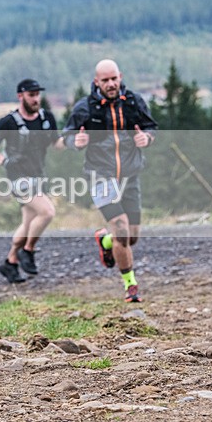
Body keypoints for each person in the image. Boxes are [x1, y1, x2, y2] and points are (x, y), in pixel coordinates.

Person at [62, 59, 157, 302]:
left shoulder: (134, 102)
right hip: (100, 175)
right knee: (122, 230)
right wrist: (76, 142)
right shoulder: (85, 108)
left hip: (130, 176)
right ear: (97, 82)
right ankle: (131, 285)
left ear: (120, 76)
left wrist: (147, 138)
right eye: (105, 80)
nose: (111, 84)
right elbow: (67, 136)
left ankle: (105, 239)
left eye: (114, 78)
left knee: (131, 236)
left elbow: (150, 127)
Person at [0, 78, 64, 283]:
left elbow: (57, 143)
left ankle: (10, 263)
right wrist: (3, 160)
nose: (36, 98)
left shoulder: (47, 118)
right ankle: (27, 250)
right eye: (31, 95)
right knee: (47, 212)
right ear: (21, 96)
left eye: (38, 94)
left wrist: (75, 141)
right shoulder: (9, 121)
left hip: (38, 176)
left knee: (28, 223)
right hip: (18, 177)